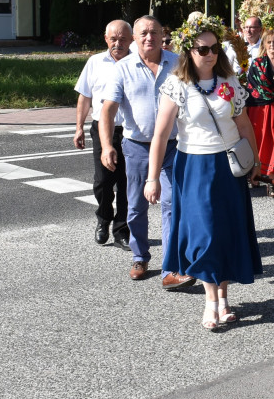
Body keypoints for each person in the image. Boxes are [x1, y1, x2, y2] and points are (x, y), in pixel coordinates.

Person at [145, 16, 263, 330]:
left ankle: (222, 298)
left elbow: (243, 125)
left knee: (225, 233)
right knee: (205, 236)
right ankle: (210, 300)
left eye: (214, 48)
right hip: (194, 168)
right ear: (189, 51)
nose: (209, 54)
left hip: (227, 168)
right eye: (202, 49)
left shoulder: (230, 83)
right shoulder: (176, 85)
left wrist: (255, 163)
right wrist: (152, 177)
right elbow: (160, 135)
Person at [100, 16, 196, 290]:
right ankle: (140, 256)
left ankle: (171, 267)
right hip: (137, 147)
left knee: (171, 205)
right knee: (135, 206)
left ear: (161, 34)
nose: (149, 37)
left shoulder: (178, 63)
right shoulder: (122, 69)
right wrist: (107, 146)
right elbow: (107, 110)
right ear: (134, 38)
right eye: (143, 33)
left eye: (154, 32)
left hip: (174, 147)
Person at [73, 20, 133, 250]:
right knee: (103, 182)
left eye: (123, 39)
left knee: (128, 184)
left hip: (129, 130)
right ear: (105, 39)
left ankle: (121, 229)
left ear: (131, 40)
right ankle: (103, 218)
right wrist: (79, 127)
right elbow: (84, 97)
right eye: (113, 39)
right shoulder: (95, 62)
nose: (118, 43)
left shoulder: (137, 62)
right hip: (102, 129)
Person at [245, 25, 274, 198]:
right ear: (264, 44)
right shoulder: (257, 63)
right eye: (269, 42)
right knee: (261, 143)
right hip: (259, 108)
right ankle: (256, 176)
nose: (272, 45)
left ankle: (270, 180)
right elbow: (254, 87)